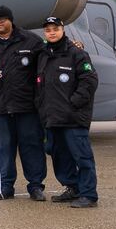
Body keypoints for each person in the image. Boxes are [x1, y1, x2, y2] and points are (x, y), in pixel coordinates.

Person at [0, 5, 47, 201]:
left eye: (3, 19)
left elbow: (50, 57)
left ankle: (35, 186)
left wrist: (74, 47)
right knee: (4, 147)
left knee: (31, 146)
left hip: (26, 106)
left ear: (11, 21)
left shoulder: (31, 41)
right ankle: (5, 186)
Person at [36, 17, 100, 208]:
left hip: (73, 118)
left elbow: (89, 81)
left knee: (82, 156)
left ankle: (89, 194)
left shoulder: (77, 53)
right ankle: (72, 187)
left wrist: (73, 104)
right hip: (52, 118)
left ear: (62, 30)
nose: (52, 32)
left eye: (55, 29)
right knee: (59, 157)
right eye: (48, 30)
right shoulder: (43, 55)